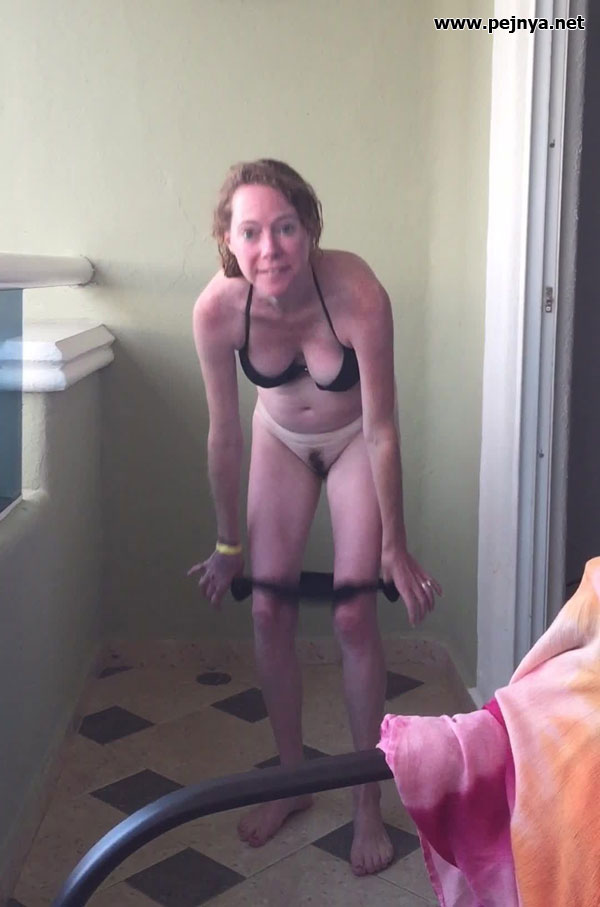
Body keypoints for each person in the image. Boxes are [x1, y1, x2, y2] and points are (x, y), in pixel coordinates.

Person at [188, 159, 442, 876]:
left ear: (311, 229)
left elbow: (383, 429)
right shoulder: (217, 310)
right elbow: (224, 434)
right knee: (268, 610)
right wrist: (227, 544)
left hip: (354, 439)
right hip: (279, 441)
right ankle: (291, 781)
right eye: (250, 232)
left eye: (285, 228)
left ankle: (366, 801)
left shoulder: (357, 293)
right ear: (228, 241)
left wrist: (395, 546)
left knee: (355, 615)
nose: (269, 248)